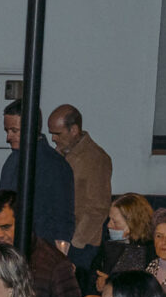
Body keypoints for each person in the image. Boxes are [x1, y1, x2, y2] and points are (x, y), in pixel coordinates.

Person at [0, 101, 72, 252]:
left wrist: (59, 251)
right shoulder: (12, 160)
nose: (8, 137)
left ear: (31, 127)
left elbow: (63, 214)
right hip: (10, 244)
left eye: (14, 130)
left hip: (40, 247)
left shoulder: (54, 164)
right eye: (7, 130)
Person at [47, 105, 116, 266]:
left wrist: (75, 243)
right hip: (61, 237)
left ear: (74, 130)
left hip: (81, 244)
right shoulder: (59, 154)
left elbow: (98, 208)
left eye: (57, 134)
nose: (53, 138)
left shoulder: (96, 158)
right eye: (51, 133)